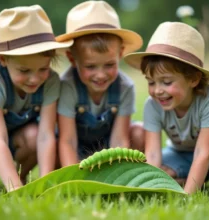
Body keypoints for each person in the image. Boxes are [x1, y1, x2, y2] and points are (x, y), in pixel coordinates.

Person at [0, 5, 73, 192]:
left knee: (34, 135)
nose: (35, 79)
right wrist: (13, 189)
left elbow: (46, 135)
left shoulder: (51, 81)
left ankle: (20, 177)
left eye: (43, 69)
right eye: (24, 71)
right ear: (3, 59)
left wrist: (46, 182)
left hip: (20, 125)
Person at [123, 22, 209, 194]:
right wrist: (150, 185)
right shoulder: (152, 105)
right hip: (181, 154)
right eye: (151, 82)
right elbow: (152, 155)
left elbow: (203, 153)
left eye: (167, 82)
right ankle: (195, 178)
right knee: (161, 176)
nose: (157, 90)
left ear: (193, 79)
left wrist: (187, 196)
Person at [55, 1, 144, 166]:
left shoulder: (125, 87)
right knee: (53, 140)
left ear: (121, 53)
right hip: (73, 151)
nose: (101, 75)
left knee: (139, 132)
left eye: (109, 65)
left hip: (106, 150)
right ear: (72, 59)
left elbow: (119, 139)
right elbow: (68, 140)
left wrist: (116, 175)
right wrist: (74, 179)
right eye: (90, 66)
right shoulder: (67, 85)